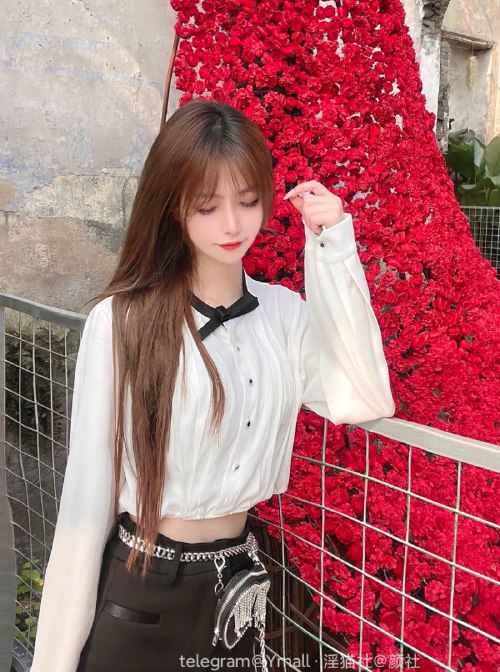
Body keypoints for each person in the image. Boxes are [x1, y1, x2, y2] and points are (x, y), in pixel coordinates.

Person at [29, 99, 396, 672]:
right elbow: (86, 498)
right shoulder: (124, 320)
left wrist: (333, 247)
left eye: (248, 202)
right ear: (172, 205)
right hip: (144, 590)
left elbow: (362, 397)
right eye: (207, 206)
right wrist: (54, 660)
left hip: (238, 590)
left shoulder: (284, 315)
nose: (232, 225)